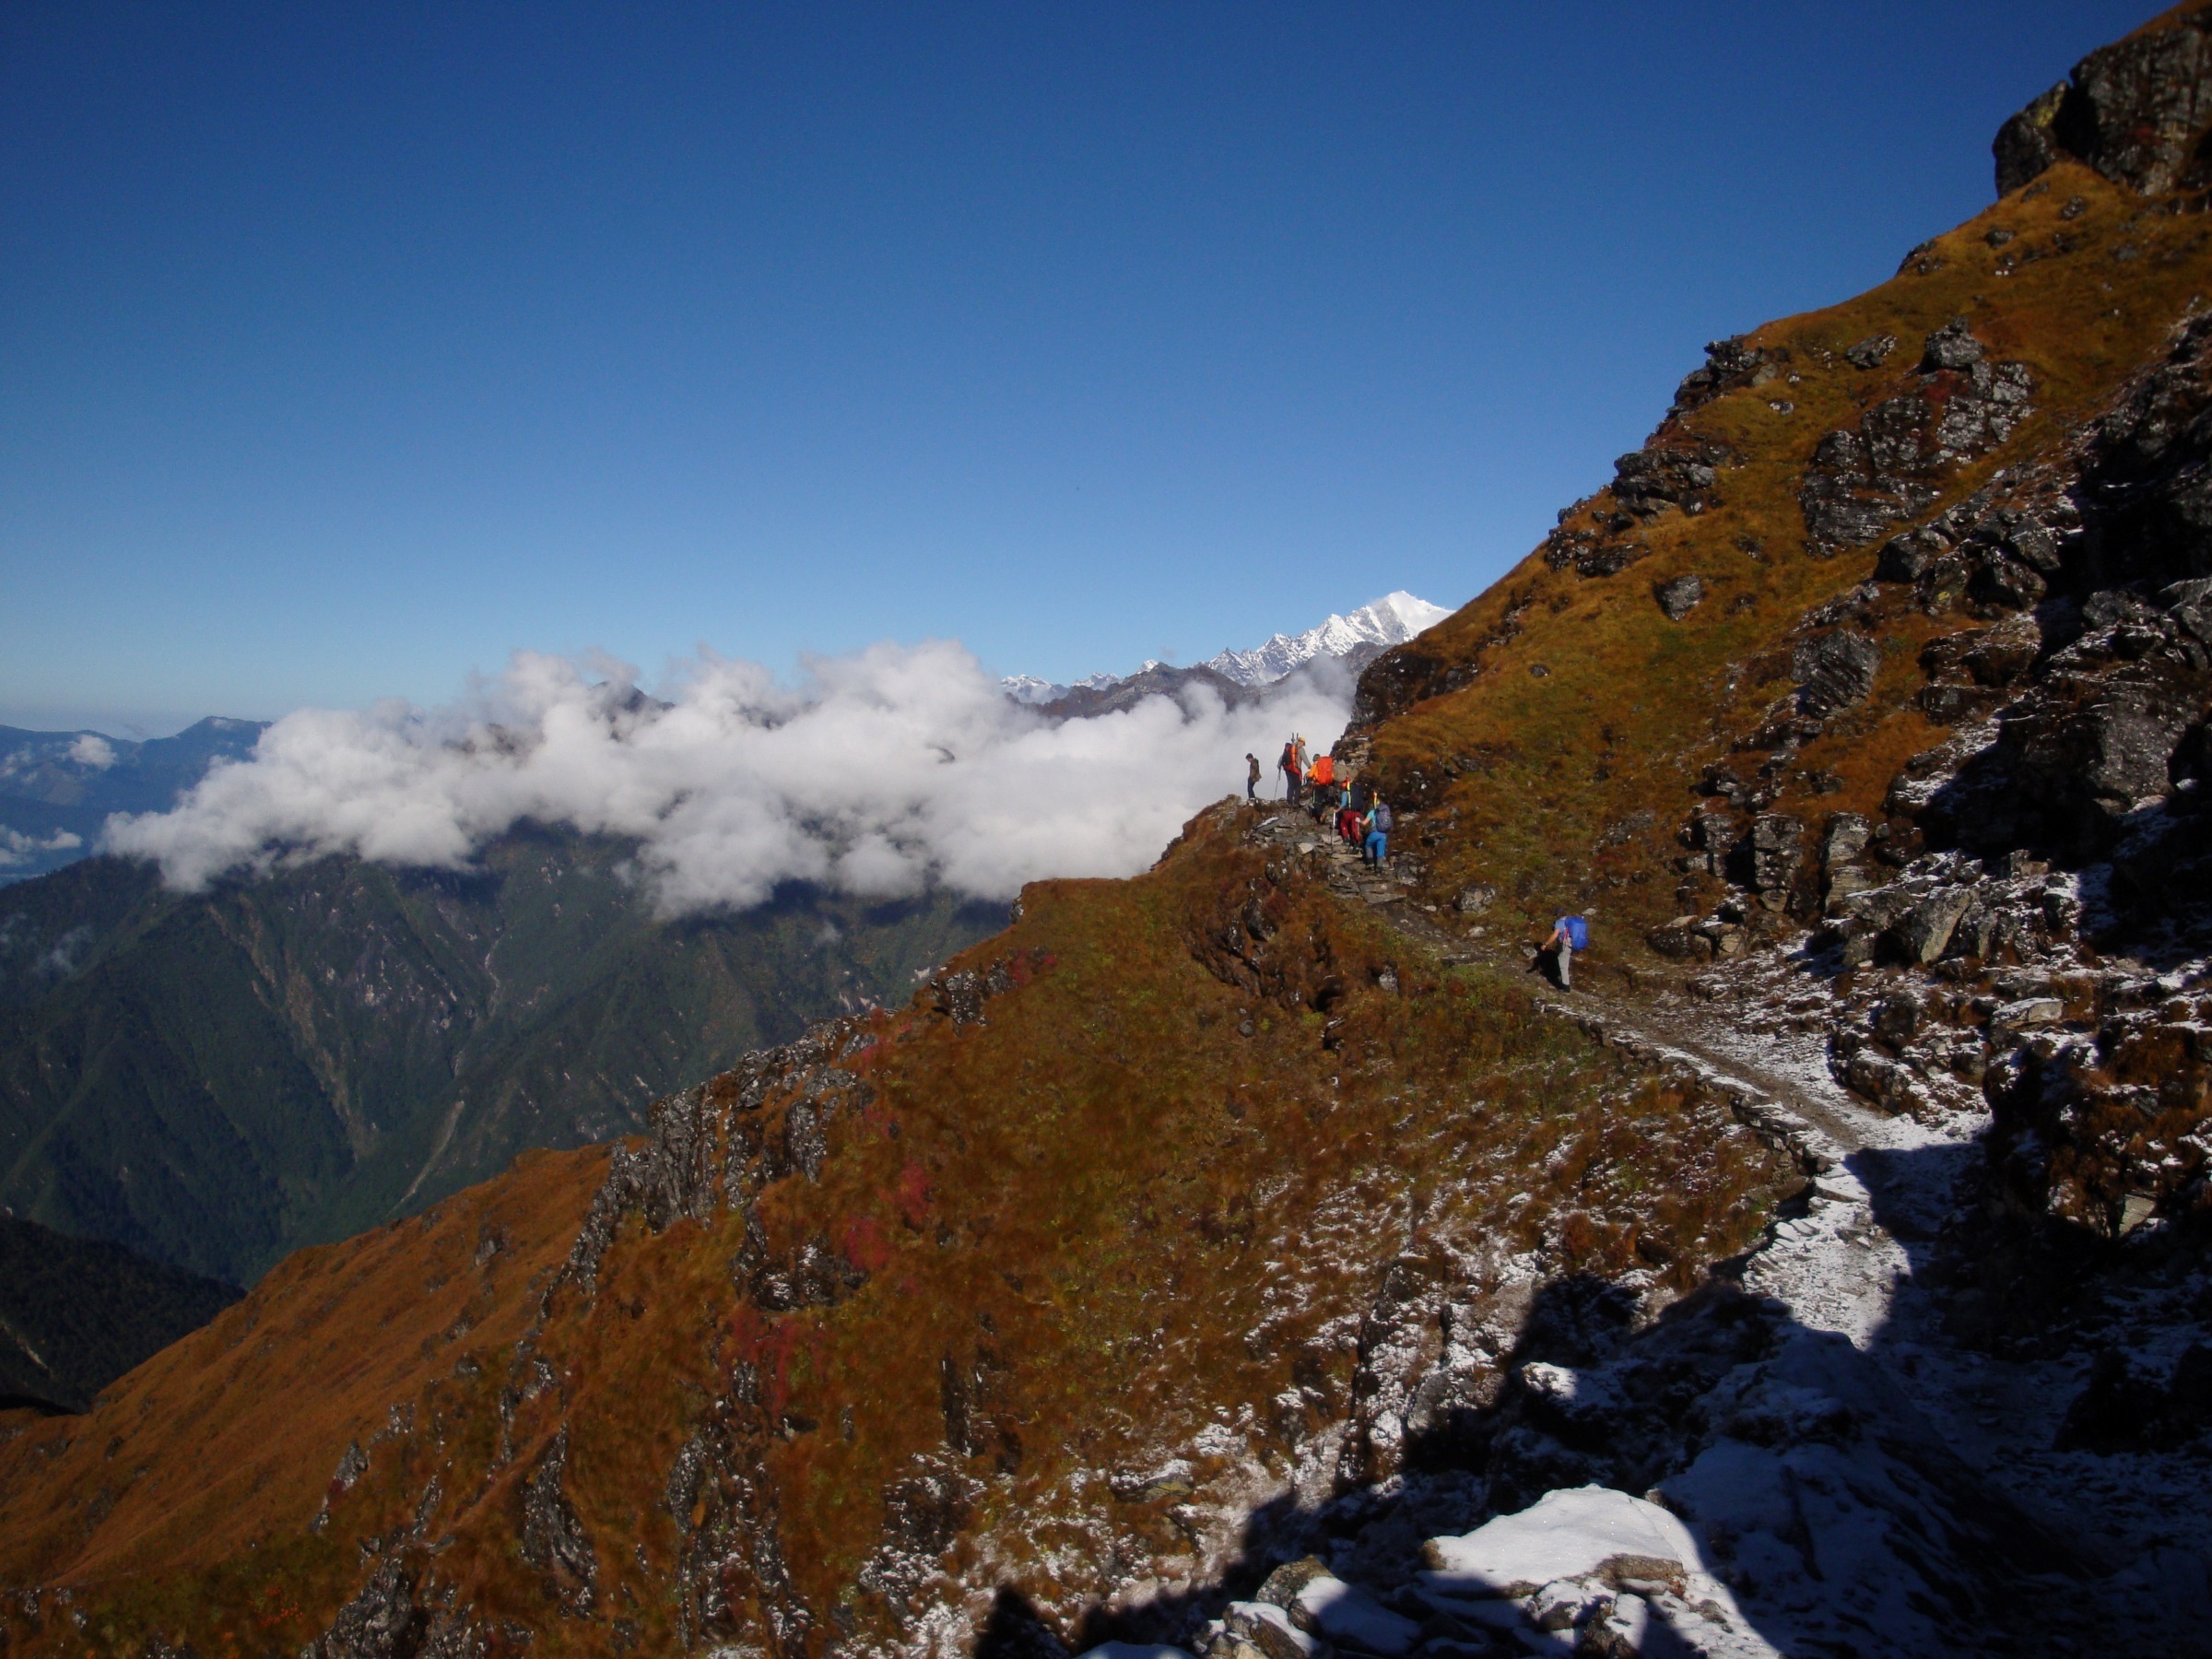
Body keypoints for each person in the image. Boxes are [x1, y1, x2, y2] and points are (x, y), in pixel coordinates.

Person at [1544, 914, 1589, 988]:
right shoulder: (1569, 922)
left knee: (1562, 962)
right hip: (1572, 943)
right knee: (1563, 959)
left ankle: (1565, 985)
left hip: (1567, 944)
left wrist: (1546, 944)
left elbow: (1555, 935)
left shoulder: (1559, 923)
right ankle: (1560, 977)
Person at [1364, 796, 1393, 868]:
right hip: (1383, 834)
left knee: (1368, 845)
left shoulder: (1372, 812)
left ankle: (1370, 864)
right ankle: (1379, 870)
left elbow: (1364, 823)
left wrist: (1359, 821)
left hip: (1374, 833)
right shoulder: (1385, 813)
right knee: (1380, 852)